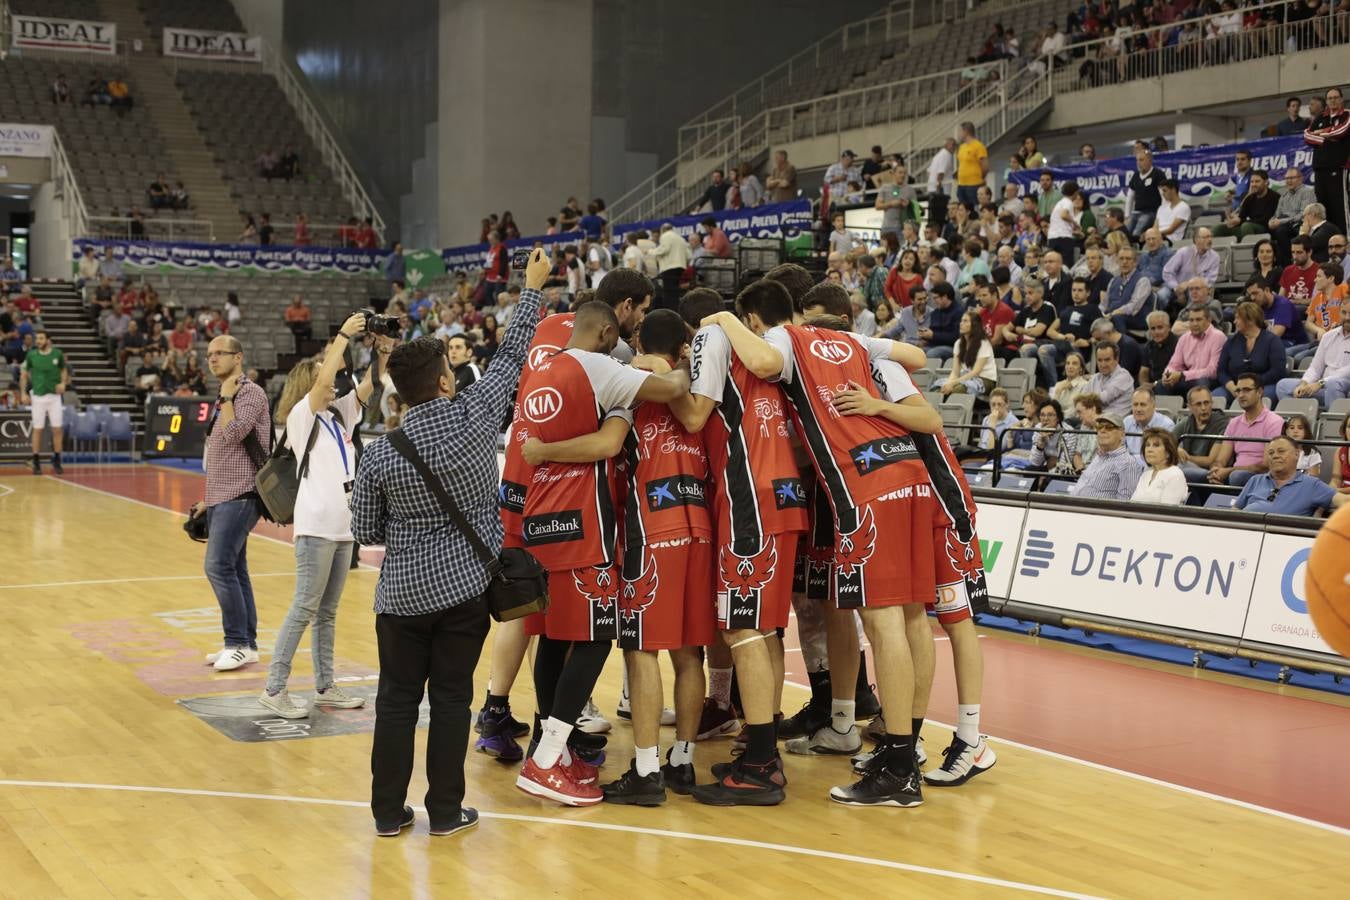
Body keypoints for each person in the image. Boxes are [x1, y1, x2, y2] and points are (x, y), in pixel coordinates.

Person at [698, 282, 944, 808]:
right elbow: (917, 355)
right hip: (910, 472)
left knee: (882, 622)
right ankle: (904, 749)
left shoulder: (787, 337)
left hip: (866, 484)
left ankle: (900, 768)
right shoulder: (856, 342)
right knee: (910, 617)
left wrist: (724, 319)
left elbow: (763, 360)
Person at [350, 250, 546, 837]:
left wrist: (409, 531)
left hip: (402, 597)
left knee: (395, 704)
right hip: (465, 591)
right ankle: (443, 812)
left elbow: (365, 531)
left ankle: (387, 814)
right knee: (454, 702)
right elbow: (512, 357)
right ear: (444, 379)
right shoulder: (476, 415)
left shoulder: (381, 451)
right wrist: (531, 289)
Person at [519, 309, 712, 803]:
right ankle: (553, 758)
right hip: (619, 522)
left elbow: (593, 439)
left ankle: (554, 750)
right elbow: (654, 418)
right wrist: (701, 361)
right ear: (608, 333)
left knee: (561, 637)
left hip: (550, 515)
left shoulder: (541, 369)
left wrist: (542, 454)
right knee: (630, 643)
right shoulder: (609, 372)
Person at [259, 316, 385, 719]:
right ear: (308, 383)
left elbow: (369, 385)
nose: (333, 381)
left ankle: (325, 686)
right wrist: (345, 336)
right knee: (304, 608)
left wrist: (382, 349)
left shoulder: (337, 417)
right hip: (315, 527)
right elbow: (323, 379)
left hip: (342, 528)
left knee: (327, 613)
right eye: (324, 376)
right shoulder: (303, 414)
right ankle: (274, 688)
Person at [195, 336, 271, 672]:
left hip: (241, 495)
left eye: (219, 354)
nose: (212, 359)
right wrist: (206, 499)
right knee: (236, 570)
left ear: (238, 357)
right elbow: (221, 453)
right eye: (209, 354)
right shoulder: (225, 395)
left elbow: (233, 434)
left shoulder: (250, 393)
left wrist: (227, 399)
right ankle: (247, 645)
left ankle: (237, 642)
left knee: (218, 567)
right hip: (223, 494)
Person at [1234, 437, 1346, 516]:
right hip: (1246, 535)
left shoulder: (1311, 484)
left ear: (1297, 454)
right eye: (1271, 453)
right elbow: (1235, 510)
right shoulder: (1255, 480)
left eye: (1281, 451)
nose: (1275, 456)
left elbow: (1343, 501)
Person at [1209, 372, 1285, 487]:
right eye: (1238, 391)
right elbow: (1221, 459)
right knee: (1196, 475)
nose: (1241, 395)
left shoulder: (1274, 422)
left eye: (1246, 390)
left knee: (1236, 476)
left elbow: (1266, 465)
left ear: (1259, 392)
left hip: (1262, 477)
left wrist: (1229, 471)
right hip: (1234, 474)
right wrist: (1216, 470)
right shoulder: (1234, 423)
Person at [1276, 292, 1350, 405]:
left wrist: (1320, 383)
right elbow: (1316, 367)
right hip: (1322, 387)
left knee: (1333, 384)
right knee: (1283, 386)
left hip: (1343, 387)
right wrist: (1304, 383)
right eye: (1344, 312)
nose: (1347, 317)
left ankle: (1334, 422)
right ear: (1339, 312)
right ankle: (1301, 421)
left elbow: (1346, 372)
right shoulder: (1328, 336)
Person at [18, 330, 68, 475]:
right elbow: (24, 374)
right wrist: (23, 393)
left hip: (54, 397)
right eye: (36, 338)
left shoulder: (57, 354)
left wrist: (63, 383)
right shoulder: (32, 355)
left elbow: (64, 370)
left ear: (48, 340)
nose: (37, 341)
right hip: (38, 397)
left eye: (41, 338)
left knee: (57, 429)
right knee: (38, 429)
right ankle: (36, 461)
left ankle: (57, 459)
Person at [1215, 301, 1286, 401]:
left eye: (1238, 318)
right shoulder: (1231, 342)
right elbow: (1221, 371)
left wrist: (1251, 385)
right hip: (1235, 386)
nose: (1234, 322)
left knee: (1258, 398)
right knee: (1216, 397)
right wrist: (1231, 386)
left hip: (1263, 385)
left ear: (1250, 320)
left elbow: (1278, 371)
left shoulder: (1272, 341)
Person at [1304, 86, 1349, 233]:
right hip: (1320, 170)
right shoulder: (1320, 117)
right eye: (1330, 98)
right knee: (1322, 209)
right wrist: (1327, 138)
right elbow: (1307, 136)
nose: (1333, 100)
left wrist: (1321, 133)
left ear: (1341, 99)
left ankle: (1345, 241)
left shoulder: (1347, 115)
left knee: (1340, 208)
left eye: (1336, 97)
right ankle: (1326, 242)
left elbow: (1341, 131)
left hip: (1338, 168)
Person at [1071, 412, 1143, 500]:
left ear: (1122, 434)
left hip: (1094, 512)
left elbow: (1125, 504)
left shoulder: (1127, 463)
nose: (1102, 430)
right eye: (1099, 427)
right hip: (1073, 508)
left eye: (1109, 427)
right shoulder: (1098, 458)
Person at [1157, 307, 1226, 396]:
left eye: (1198, 320)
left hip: (1209, 380)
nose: (1194, 324)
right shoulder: (1184, 338)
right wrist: (1167, 375)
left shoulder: (1218, 337)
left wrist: (1182, 375)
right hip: (1188, 378)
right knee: (1161, 385)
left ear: (1209, 320)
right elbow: (1174, 364)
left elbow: (1212, 371)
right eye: (1191, 320)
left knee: (1201, 383)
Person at [1174, 386, 1229, 483]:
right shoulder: (1187, 421)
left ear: (1212, 403)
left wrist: (1185, 457)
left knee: (1174, 470)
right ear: (1189, 406)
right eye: (1198, 404)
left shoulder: (1222, 423)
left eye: (1206, 403)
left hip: (1210, 472)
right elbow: (1165, 440)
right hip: (1187, 466)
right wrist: (1176, 449)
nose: (1203, 408)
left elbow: (1211, 460)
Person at [941, 311, 995, 396]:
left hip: (984, 380)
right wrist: (949, 383)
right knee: (939, 390)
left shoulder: (984, 343)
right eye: (961, 321)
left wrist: (953, 383)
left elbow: (975, 372)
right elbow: (955, 372)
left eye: (965, 321)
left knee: (957, 390)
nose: (961, 324)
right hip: (966, 379)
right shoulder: (958, 343)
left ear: (974, 325)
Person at [1270, 168, 1318, 264]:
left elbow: (1303, 214)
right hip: (1286, 225)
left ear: (1300, 179)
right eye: (1287, 178)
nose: (1288, 181)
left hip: (1302, 224)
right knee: (1274, 231)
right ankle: (1283, 264)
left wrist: (1281, 221)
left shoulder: (1307, 192)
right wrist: (1272, 221)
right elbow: (1277, 214)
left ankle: (1292, 261)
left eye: (1292, 178)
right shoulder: (1284, 195)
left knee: (1281, 231)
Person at [1213, 169, 1279, 238]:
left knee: (1246, 226)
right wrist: (1234, 220)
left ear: (1266, 182)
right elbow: (1242, 217)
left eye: (1257, 181)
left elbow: (1266, 219)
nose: (1253, 184)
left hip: (1265, 229)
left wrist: (1242, 221)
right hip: (1247, 227)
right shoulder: (1249, 197)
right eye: (1252, 182)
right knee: (1219, 229)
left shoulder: (1274, 197)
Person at [1162, 228, 1221, 305]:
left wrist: (1191, 284)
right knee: (1162, 295)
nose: (1209, 240)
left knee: (1195, 293)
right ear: (1196, 240)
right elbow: (1167, 272)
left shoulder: (1214, 257)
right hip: (1175, 286)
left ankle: (1189, 315)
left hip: (1197, 289)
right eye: (1205, 237)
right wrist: (1176, 288)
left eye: (1210, 237)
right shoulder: (1184, 252)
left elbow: (1210, 280)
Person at [1132, 428, 1189, 505]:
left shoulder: (1175, 475)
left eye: (1156, 445)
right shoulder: (1146, 474)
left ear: (1168, 452)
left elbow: (1166, 511)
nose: (1149, 450)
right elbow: (1132, 503)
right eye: (1147, 445)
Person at [1086, 341, 1136, 417]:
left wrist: (1088, 400)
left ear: (1117, 359)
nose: (1103, 364)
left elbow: (1103, 398)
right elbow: (1082, 401)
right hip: (1095, 422)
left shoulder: (1124, 376)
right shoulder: (1094, 378)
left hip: (1115, 424)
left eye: (1107, 360)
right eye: (1099, 360)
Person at [1124, 387, 1175, 457]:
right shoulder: (1126, 422)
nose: (1138, 409)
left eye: (1143, 405)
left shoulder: (1166, 425)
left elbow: (1166, 457)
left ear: (1153, 406)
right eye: (1135, 404)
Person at [1125, 147, 1162, 240]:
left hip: (1151, 212)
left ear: (1149, 160)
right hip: (1136, 212)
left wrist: (1160, 215)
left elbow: (1163, 196)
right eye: (1137, 160)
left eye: (1141, 160)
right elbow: (1130, 197)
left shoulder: (1158, 174)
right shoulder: (1136, 176)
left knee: (1137, 231)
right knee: (1125, 233)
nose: (1138, 163)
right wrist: (1127, 216)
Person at [653, 224, 692, 310]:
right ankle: (676, 309)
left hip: (669, 267)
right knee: (674, 291)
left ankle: (669, 310)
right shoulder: (681, 238)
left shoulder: (665, 236)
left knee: (668, 292)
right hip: (680, 267)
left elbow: (664, 249)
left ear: (662, 230)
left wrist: (651, 252)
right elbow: (689, 255)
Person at [955, 123, 988, 210]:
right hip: (961, 184)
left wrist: (980, 178)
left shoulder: (978, 146)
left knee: (974, 209)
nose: (958, 134)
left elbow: (985, 166)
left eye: (960, 131)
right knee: (963, 209)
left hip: (974, 184)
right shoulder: (961, 147)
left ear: (966, 132)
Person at [1047, 181, 1080, 265]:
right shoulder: (1068, 202)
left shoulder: (1059, 203)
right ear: (1075, 192)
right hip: (1064, 239)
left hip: (1052, 238)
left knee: (1054, 264)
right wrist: (1075, 223)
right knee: (1066, 265)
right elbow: (1063, 215)